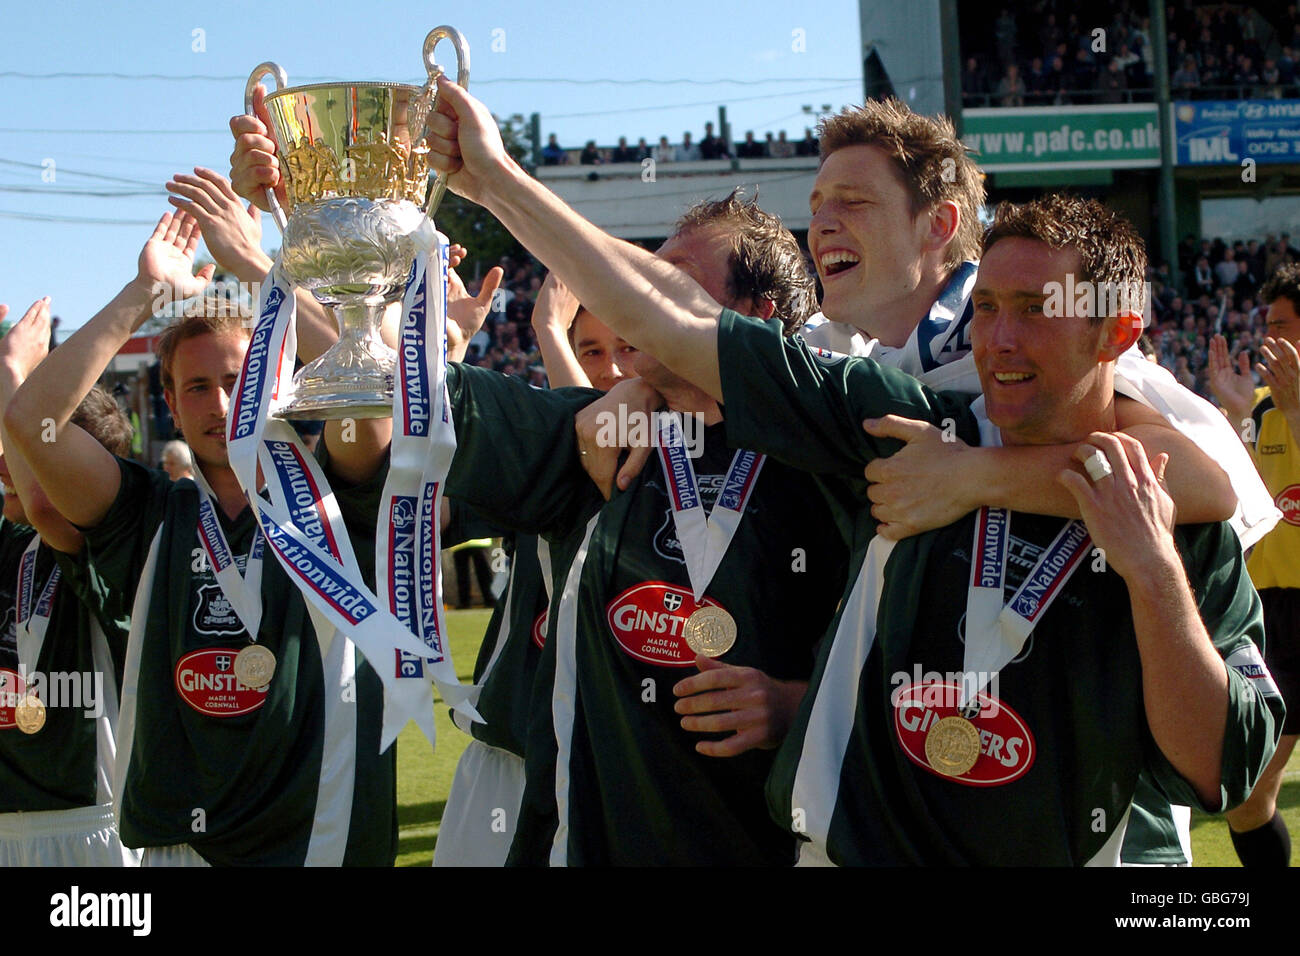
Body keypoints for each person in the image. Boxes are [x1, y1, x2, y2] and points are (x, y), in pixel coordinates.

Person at [417, 79, 1283, 864]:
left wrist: (976, 476)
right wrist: (634, 362)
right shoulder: (867, 389)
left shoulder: (1048, 380)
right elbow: (687, 322)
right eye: (817, 201)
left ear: (940, 228)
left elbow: (1199, 481)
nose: (821, 222)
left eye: (854, 202)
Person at [438, 192, 847, 865]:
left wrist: (795, 707)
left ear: (753, 318)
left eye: (674, 280)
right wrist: (406, 324)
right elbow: (421, 402)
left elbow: (916, 678)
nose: (638, 293)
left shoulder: (834, 456)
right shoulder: (595, 435)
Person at [5, 209, 398, 866]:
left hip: (320, 843)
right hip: (179, 848)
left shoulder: (338, 489)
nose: (219, 404)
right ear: (170, 399)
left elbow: (370, 386)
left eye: (237, 378)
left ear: (280, 377)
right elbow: (33, 421)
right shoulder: (146, 512)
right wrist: (144, 294)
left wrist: (257, 268)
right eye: (197, 387)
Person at [0, 299, 137, 866]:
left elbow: (45, 505)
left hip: (94, 827)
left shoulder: (108, 542)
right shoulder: (9, 543)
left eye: (30, 448)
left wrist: (13, 374)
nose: (8, 458)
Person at [1208, 263, 1300, 866]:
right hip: (1279, 615)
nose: (1271, 338)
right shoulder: (1263, 406)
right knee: (1247, 799)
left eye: (1285, 325)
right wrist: (1237, 416)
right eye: (1267, 325)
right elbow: (1241, 507)